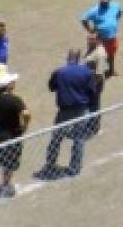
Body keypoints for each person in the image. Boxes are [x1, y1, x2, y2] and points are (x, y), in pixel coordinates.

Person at [40, 50, 96, 178]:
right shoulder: (86, 72)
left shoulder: (59, 72)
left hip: (64, 111)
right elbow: (92, 91)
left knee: (56, 138)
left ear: (68, 58)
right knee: (79, 139)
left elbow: (51, 87)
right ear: (78, 59)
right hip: (82, 109)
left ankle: (50, 163)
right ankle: (75, 167)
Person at [0, 73, 29, 198]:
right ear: (8, 86)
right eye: (12, 82)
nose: (14, 83)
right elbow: (26, 114)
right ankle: (6, 186)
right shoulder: (15, 100)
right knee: (9, 163)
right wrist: (25, 126)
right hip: (12, 138)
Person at [81, 0, 123, 77]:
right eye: (102, 1)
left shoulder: (115, 6)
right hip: (99, 38)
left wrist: (115, 20)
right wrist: (90, 30)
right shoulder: (95, 10)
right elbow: (84, 19)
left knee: (111, 55)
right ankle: (90, 74)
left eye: (105, 1)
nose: (103, 3)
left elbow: (120, 12)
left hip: (112, 37)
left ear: (109, 1)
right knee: (95, 56)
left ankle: (111, 70)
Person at [83, 35, 108, 136]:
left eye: (91, 39)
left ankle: (95, 127)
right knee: (91, 104)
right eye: (88, 38)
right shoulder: (92, 48)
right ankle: (91, 123)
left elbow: (99, 73)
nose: (88, 40)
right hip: (88, 82)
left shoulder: (100, 53)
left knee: (94, 105)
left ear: (98, 39)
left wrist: (91, 86)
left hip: (94, 84)